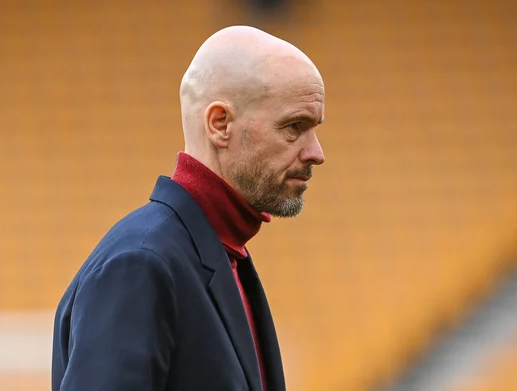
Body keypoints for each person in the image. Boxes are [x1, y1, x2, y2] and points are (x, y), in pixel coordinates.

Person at [51, 25, 325, 391]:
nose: (316, 153)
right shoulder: (141, 265)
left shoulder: (222, 252)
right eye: (294, 127)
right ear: (220, 124)